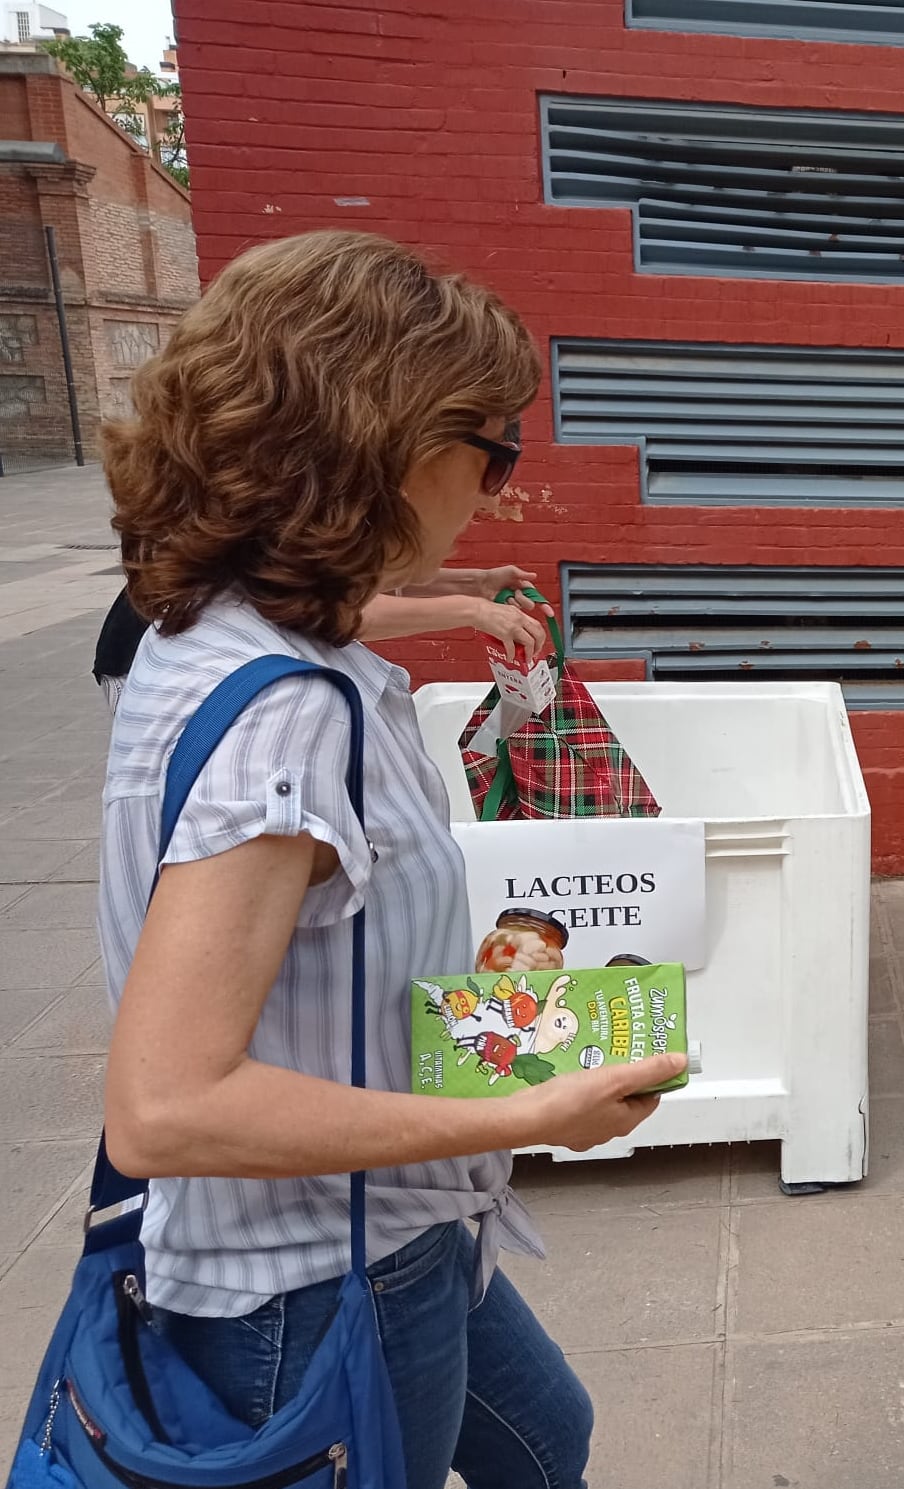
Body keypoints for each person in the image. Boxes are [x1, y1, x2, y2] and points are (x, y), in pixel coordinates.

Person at [98, 229, 684, 1489]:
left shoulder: (213, 620)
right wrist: (534, 1110)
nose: (505, 489)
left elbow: (342, 605)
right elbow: (166, 1103)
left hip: (406, 1221)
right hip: (316, 1274)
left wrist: (463, 596)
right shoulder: (288, 715)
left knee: (550, 1438)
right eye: (496, 451)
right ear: (396, 450)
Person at [92, 565, 552, 713]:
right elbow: (339, 610)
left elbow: (368, 576)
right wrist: (471, 609)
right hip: (157, 664)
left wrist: (476, 583)